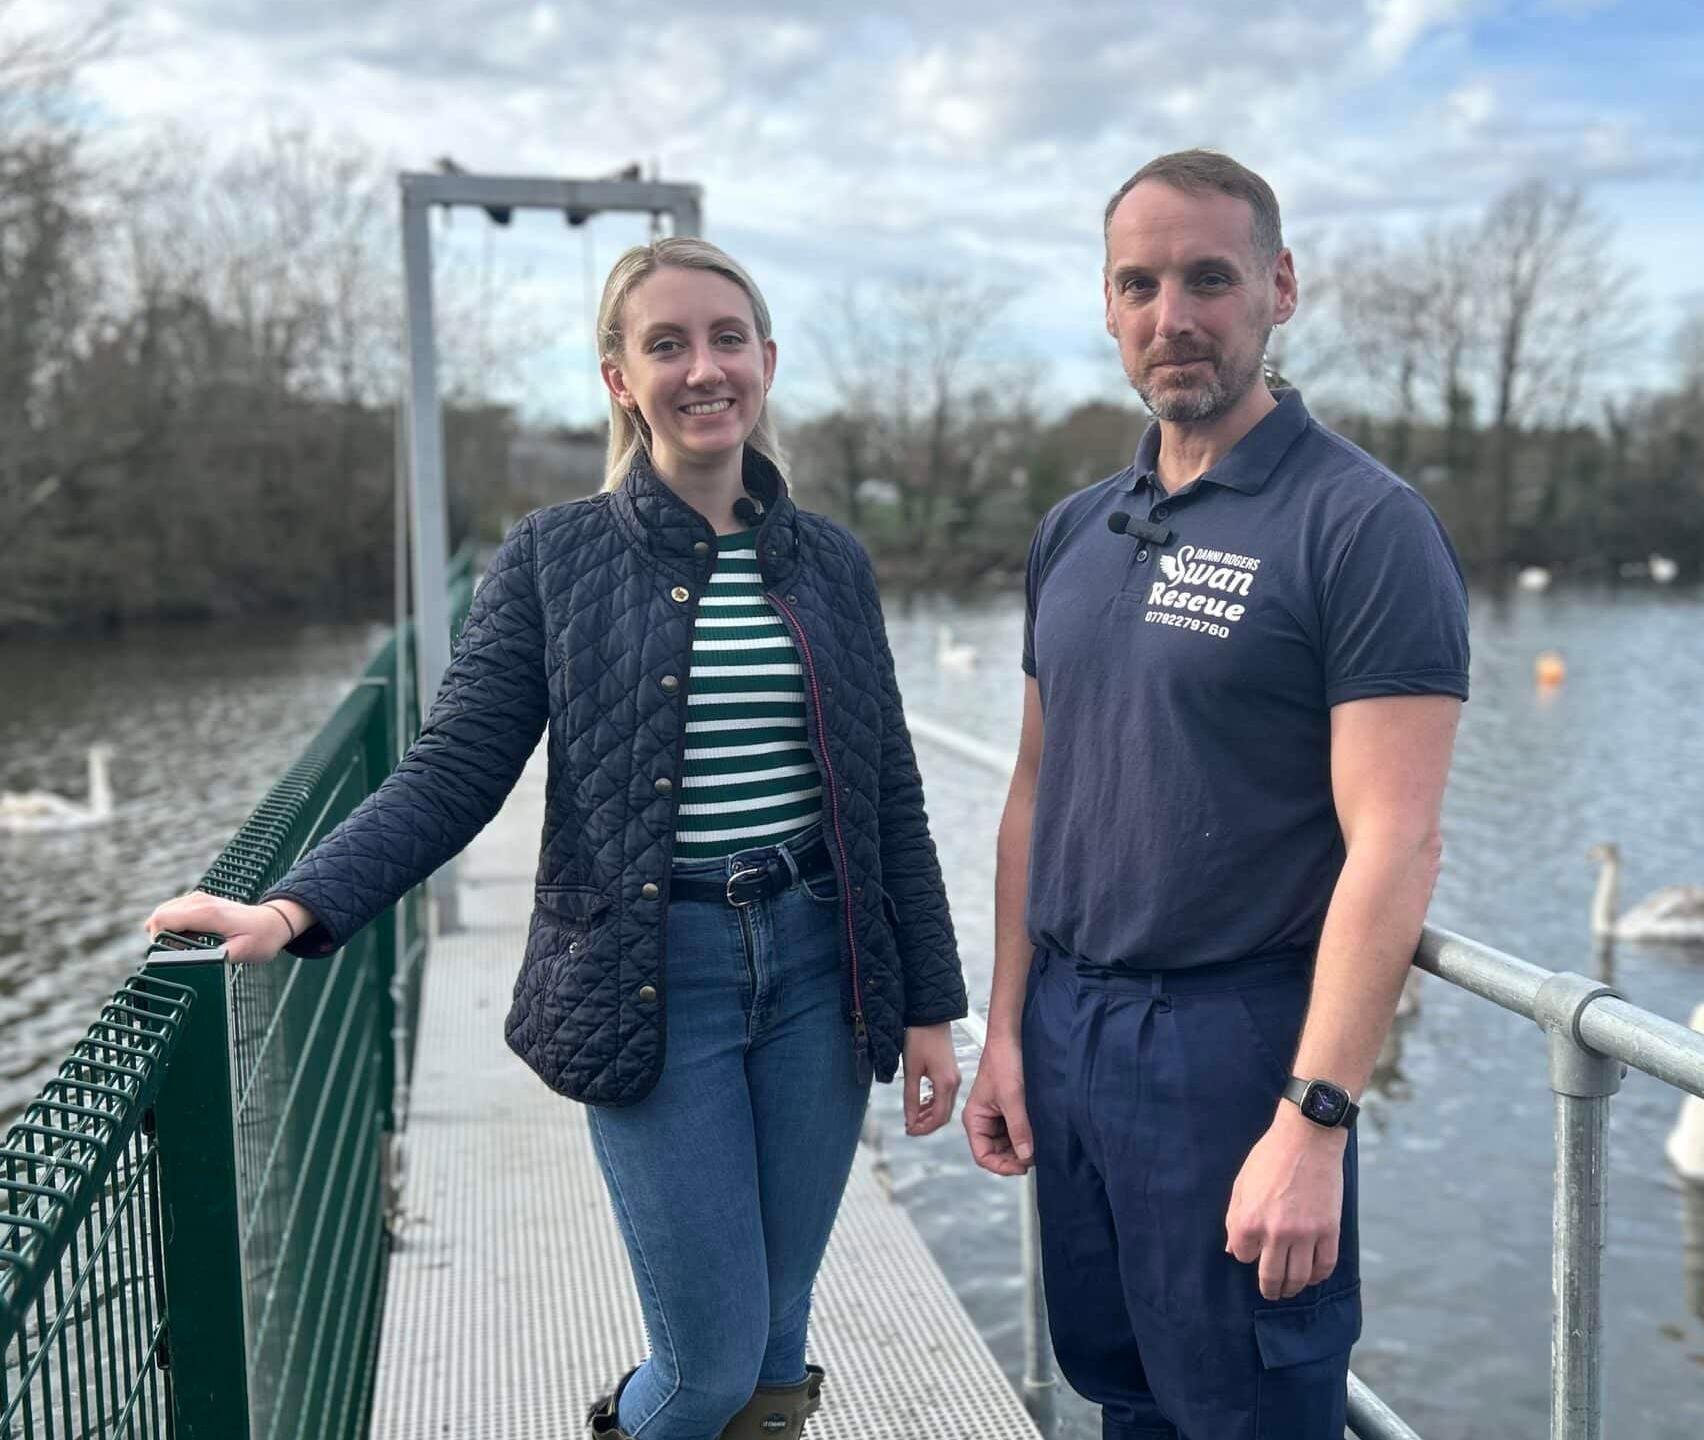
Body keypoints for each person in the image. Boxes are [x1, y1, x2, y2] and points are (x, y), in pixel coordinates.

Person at [145, 236, 967, 1440]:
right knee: (708, 1368)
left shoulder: (829, 561)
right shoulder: (553, 557)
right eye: (667, 344)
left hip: (816, 977)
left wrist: (928, 1004)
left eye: (726, 339)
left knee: (777, 1336)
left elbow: (888, 791)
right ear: (618, 379)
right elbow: (454, 772)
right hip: (651, 983)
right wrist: (293, 906)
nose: (703, 368)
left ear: (767, 361)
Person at [960, 149, 1469, 1438]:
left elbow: (1396, 843)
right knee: (1119, 1392)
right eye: (1138, 283)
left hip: (1232, 1047)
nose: (1170, 316)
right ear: (1108, 302)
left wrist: (1316, 1117)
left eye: (1208, 278)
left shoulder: (1359, 525)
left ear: (1279, 288)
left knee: (1246, 1410)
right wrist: (1007, 1031)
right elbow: (1034, 791)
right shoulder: (1076, 529)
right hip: (1069, 1027)